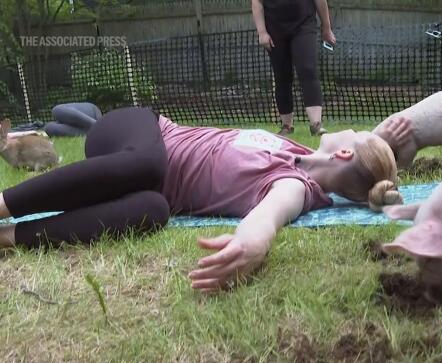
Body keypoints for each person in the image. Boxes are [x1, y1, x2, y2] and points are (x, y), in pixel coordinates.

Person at [0, 107, 412, 291]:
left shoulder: (295, 187)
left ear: (343, 153)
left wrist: (253, 241)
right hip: (135, 131)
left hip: (131, 182)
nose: (351, 130)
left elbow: (270, 215)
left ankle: (8, 237)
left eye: (357, 134)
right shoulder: (292, 151)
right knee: (148, 164)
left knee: (153, 210)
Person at [251, 0, 336, 136]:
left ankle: (316, 125)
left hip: (304, 24)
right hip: (274, 28)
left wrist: (326, 27)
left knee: (307, 69)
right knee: (282, 75)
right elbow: (257, 3)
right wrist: (262, 33)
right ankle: (287, 126)